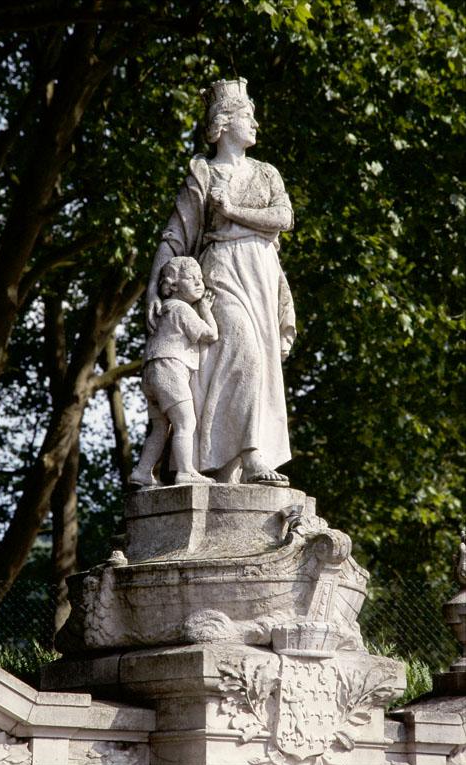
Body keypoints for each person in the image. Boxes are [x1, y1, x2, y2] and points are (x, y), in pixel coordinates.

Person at [146, 77, 295, 485]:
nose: (256, 124)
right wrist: (151, 291)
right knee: (242, 353)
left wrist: (232, 209)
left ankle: (224, 463)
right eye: (248, 115)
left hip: (262, 274)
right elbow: (174, 237)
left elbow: (285, 218)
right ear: (224, 122)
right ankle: (250, 451)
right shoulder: (204, 174)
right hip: (221, 271)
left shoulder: (266, 173)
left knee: (257, 366)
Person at [130, 257, 218, 487]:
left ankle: (141, 471)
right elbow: (210, 335)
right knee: (185, 422)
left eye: (200, 278)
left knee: (160, 428)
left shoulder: (164, 310)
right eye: (192, 278)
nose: (200, 283)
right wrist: (206, 310)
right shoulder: (180, 308)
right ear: (174, 285)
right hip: (169, 367)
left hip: (151, 372)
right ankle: (185, 471)